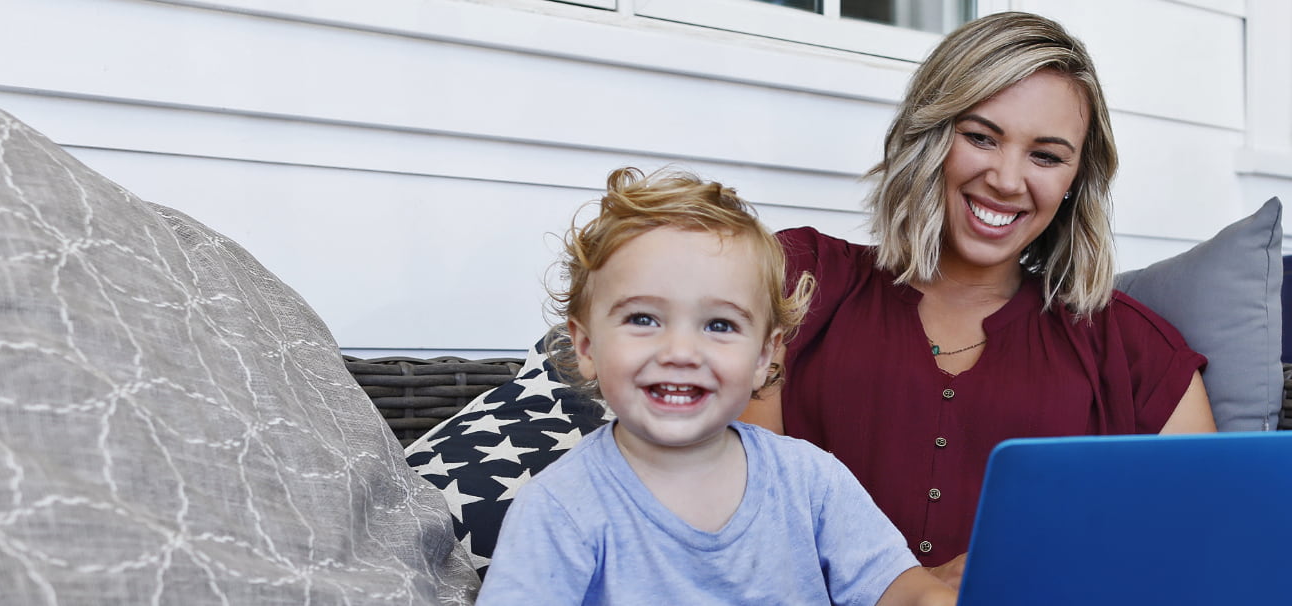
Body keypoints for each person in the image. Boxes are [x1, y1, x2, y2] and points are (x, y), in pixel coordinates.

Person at [738, 11, 1218, 581]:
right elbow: (741, 522)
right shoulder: (802, 281)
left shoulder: (1135, 349)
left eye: (1046, 155)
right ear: (930, 137)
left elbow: (1200, 551)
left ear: (1074, 180)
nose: (1008, 180)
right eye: (981, 137)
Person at [477, 167, 956, 605]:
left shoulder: (811, 481)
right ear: (585, 347)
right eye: (643, 318)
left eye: (720, 325)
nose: (681, 351)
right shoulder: (560, 508)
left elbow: (900, 589)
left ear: (763, 358)